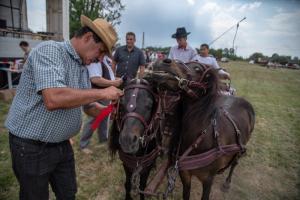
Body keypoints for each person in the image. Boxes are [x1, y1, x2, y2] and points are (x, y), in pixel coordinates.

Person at [5, 15, 123, 200]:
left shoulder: (82, 66)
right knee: (34, 196)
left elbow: (87, 105)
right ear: (87, 38)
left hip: (61, 144)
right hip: (31, 147)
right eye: (100, 52)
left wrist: (108, 111)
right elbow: (54, 98)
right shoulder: (50, 51)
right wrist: (102, 93)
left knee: (68, 193)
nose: (100, 59)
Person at [80, 50, 123, 152]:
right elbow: (95, 79)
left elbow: (106, 75)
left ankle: (103, 139)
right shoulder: (96, 59)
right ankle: (83, 144)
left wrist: (115, 80)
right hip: (97, 93)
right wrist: (114, 83)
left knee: (103, 118)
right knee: (94, 119)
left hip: (104, 93)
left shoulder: (105, 59)